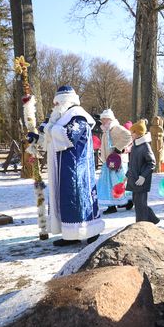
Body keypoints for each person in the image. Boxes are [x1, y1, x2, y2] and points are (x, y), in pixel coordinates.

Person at [39, 86, 104, 246]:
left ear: (65, 101)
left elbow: (68, 136)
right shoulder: (62, 118)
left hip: (77, 169)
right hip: (63, 168)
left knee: (79, 200)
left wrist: (48, 128)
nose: (55, 105)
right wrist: (39, 135)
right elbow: (52, 139)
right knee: (66, 201)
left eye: (57, 102)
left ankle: (90, 231)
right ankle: (70, 234)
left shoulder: (78, 117)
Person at [97, 109, 134, 214]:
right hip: (110, 162)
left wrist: (118, 149)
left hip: (116, 162)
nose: (102, 121)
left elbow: (128, 136)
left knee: (115, 183)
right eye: (102, 119)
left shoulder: (115, 128)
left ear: (109, 119)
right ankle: (126, 201)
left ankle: (113, 204)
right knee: (115, 182)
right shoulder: (107, 130)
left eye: (104, 119)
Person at [126, 120, 160, 224]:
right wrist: (127, 175)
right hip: (134, 179)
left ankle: (141, 224)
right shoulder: (135, 146)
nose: (131, 134)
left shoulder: (145, 146)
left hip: (141, 181)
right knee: (137, 202)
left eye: (132, 132)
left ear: (138, 133)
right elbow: (132, 164)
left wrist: (143, 176)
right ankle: (153, 219)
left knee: (140, 205)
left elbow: (152, 163)